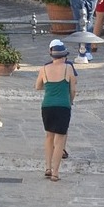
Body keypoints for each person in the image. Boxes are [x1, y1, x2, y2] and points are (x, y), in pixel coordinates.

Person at [35, 40, 76, 180]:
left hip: (47, 105)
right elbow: (73, 89)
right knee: (59, 140)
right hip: (63, 106)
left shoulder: (44, 69)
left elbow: (38, 86)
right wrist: (70, 100)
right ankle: (55, 172)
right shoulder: (68, 69)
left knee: (49, 136)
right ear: (64, 56)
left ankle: (47, 167)